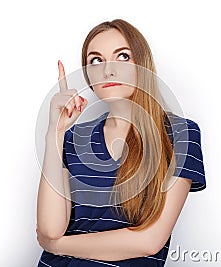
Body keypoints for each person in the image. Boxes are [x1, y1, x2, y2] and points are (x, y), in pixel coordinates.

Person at [36, 18, 206, 267]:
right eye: (96, 60)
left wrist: (58, 246)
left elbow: (150, 241)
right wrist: (55, 132)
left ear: (142, 64)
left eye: (122, 56)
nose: (108, 70)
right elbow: (50, 229)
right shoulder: (73, 139)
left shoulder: (181, 134)